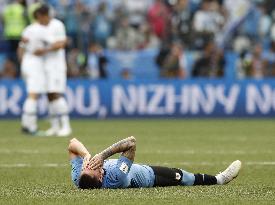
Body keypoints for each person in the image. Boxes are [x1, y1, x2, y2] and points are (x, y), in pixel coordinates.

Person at [68, 137, 242, 189]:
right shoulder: (115, 178)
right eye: (94, 168)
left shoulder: (79, 177)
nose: (93, 165)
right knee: (183, 178)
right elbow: (131, 143)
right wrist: (104, 155)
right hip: (149, 176)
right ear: (100, 179)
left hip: (136, 169)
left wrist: (86, 155)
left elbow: (72, 144)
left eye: (89, 166)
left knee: (183, 176)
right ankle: (220, 179)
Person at [33, 4, 72, 137]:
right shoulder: (40, 28)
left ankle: (66, 126)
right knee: (49, 95)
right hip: (45, 66)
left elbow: (61, 44)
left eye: (39, 18)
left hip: (56, 66)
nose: (39, 20)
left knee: (56, 93)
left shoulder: (57, 25)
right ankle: (55, 127)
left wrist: (44, 50)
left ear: (45, 15)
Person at [18, 9, 46, 134]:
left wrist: (22, 64)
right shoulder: (38, 29)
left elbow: (21, 47)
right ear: (40, 16)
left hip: (28, 62)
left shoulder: (29, 29)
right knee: (33, 95)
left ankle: (26, 124)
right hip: (33, 63)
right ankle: (31, 126)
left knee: (33, 94)